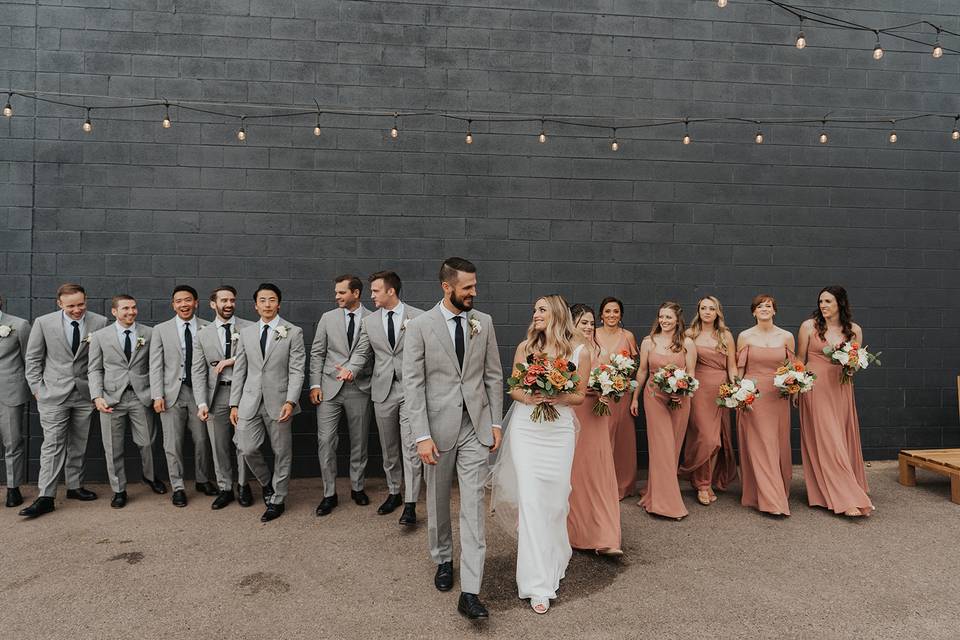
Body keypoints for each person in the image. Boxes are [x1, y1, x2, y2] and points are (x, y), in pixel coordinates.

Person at [403, 257, 503, 620]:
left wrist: (495, 423)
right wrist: (422, 436)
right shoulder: (420, 326)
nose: (474, 293)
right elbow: (413, 385)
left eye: (475, 286)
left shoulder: (484, 323)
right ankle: (443, 558)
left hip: (475, 427)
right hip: (437, 429)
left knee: (474, 504)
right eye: (467, 288)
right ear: (447, 287)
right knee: (438, 498)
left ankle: (471, 591)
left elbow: (493, 375)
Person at [493, 295, 588, 614]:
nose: (535, 314)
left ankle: (558, 551)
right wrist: (532, 396)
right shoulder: (525, 347)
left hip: (559, 432)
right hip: (527, 429)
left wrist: (555, 394)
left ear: (557, 315)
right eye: (534, 309)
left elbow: (579, 395)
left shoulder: (579, 350)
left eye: (542, 310)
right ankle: (536, 585)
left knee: (556, 500)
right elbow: (514, 389)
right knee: (532, 502)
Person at [338, 271, 424, 525]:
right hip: (383, 391)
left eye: (375, 291)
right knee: (389, 448)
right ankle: (394, 492)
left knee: (411, 447)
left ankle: (410, 503)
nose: (371, 295)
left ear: (391, 291)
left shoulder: (418, 317)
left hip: (411, 390)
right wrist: (350, 369)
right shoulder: (370, 322)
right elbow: (362, 352)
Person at [20, 283, 108, 518]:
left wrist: (96, 392)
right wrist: (38, 389)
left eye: (81, 304)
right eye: (71, 306)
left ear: (86, 300)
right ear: (59, 304)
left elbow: (99, 361)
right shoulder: (43, 322)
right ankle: (46, 496)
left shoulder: (99, 322)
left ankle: (74, 487)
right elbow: (33, 360)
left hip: (84, 394)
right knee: (53, 445)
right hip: (53, 395)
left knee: (78, 443)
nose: (77, 310)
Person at [229, 283, 305, 523]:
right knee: (246, 447)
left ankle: (278, 499)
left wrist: (291, 400)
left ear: (279, 304)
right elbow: (240, 370)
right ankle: (266, 482)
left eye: (272, 300)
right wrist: (234, 404)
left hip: (280, 401)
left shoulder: (293, 332)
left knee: (282, 452)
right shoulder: (247, 333)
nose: (267, 305)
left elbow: (297, 370)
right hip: (250, 401)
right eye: (263, 300)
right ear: (255, 305)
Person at [797, 286, 875, 517]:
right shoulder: (808, 327)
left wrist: (852, 367)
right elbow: (800, 359)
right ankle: (844, 497)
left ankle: (840, 490)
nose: (823, 305)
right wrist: (794, 387)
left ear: (840, 303)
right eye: (821, 301)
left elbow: (856, 363)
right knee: (828, 440)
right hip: (815, 388)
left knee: (841, 438)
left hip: (841, 389)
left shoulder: (854, 331)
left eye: (828, 301)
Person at [193, 285, 272, 509]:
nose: (229, 305)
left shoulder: (249, 328)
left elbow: (259, 358)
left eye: (232, 301)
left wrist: (232, 360)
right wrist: (201, 402)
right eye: (224, 301)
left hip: (246, 394)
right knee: (219, 445)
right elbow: (198, 370)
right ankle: (225, 488)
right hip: (216, 395)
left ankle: (243, 485)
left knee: (243, 443)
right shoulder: (203, 334)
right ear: (213, 304)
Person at [87, 294, 165, 508]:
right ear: (114, 312)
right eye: (125, 309)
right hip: (111, 398)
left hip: (141, 396)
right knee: (113, 447)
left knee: (147, 442)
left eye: (133, 308)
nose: (131, 312)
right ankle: (119, 489)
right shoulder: (101, 336)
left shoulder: (149, 333)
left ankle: (149, 477)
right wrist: (97, 396)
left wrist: (155, 393)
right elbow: (94, 368)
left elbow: (156, 365)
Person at [309, 275, 373, 516]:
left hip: (360, 387)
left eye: (341, 293)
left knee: (359, 441)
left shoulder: (372, 318)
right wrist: (314, 385)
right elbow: (317, 353)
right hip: (328, 387)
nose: (336, 297)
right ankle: (329, 493)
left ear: (356, 293)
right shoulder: (328, 318)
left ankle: (357, 487)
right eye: (336, 292)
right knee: (326, 440)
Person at [150, 285, 216, 507]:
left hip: (199, 393)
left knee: (202, 439)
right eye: (179, 301)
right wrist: (157, 394)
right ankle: (178, 486)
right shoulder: (160, 329)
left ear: (196, 302)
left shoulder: (208, 328)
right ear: (173, 305)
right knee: (173, 443)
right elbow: (155, 364)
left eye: (188, 300)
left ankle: (202, 479)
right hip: (171, 394)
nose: (184, 304)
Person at [630, 302, 697, 520]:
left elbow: (692, 374)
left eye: (669, 317)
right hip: (654, 397)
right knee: (662, 448)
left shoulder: (687, 343)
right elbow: (641, 372)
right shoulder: (649, 342)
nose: (664, 321)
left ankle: (657, 493)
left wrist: (683, 391)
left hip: (679, 401)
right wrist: (635, 398)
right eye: (661, 317)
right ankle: (666, 504)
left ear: (678, 320)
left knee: (673, 449)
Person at [566, 303, 622, 556]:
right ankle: (574, 532)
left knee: (600, 472)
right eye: (583, 323)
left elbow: (610, 376)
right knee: (577, 472)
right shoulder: (567, 351)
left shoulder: (598, 349)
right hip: (576, 415)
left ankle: (605, 536)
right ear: (572, 325)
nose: (589, 327)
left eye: (590, 323)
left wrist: (609, 387)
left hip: (598, 415)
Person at [736, 294, 795, 516]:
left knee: (776, 444)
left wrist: (794, 389)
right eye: (760, 306)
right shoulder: (744, 336)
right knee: (761, 445)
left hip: (778, 397)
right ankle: (771, 500)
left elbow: (793, 369)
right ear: (753, 312)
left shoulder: (787, 336)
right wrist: (740, 396)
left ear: (774, 310)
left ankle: (775, 489)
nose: (764, 309)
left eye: (768, 306)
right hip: (754, 396)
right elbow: (739, 371)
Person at [681, 296, 738, 506]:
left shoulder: (726, 336)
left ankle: (705, 482)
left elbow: (732, 366)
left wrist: (737, 386)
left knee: (718, 439)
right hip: (698, 389)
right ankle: (702, 482)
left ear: (718, 312)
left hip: (720, 391)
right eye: (703, 308)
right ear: (698, 311)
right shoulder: (689, 335)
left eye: (711, 308)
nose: (707, 311)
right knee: (706, 437)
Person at [595, 297, 639, 499]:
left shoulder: (628, 335)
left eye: (615, 311)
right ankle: (601, 484)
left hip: (621, 394)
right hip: (599, 394)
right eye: (607, 311)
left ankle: (622, 485)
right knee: (602, 437)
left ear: (621, 315)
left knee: (622, 439)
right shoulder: (593, 334)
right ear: (601, 315)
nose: (611, 315)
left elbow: (635, 366)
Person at [0, 295, 30, 508]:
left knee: (13, 440)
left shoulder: (18, 325)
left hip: (9, 391)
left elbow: (30, 358)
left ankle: (13, 488)